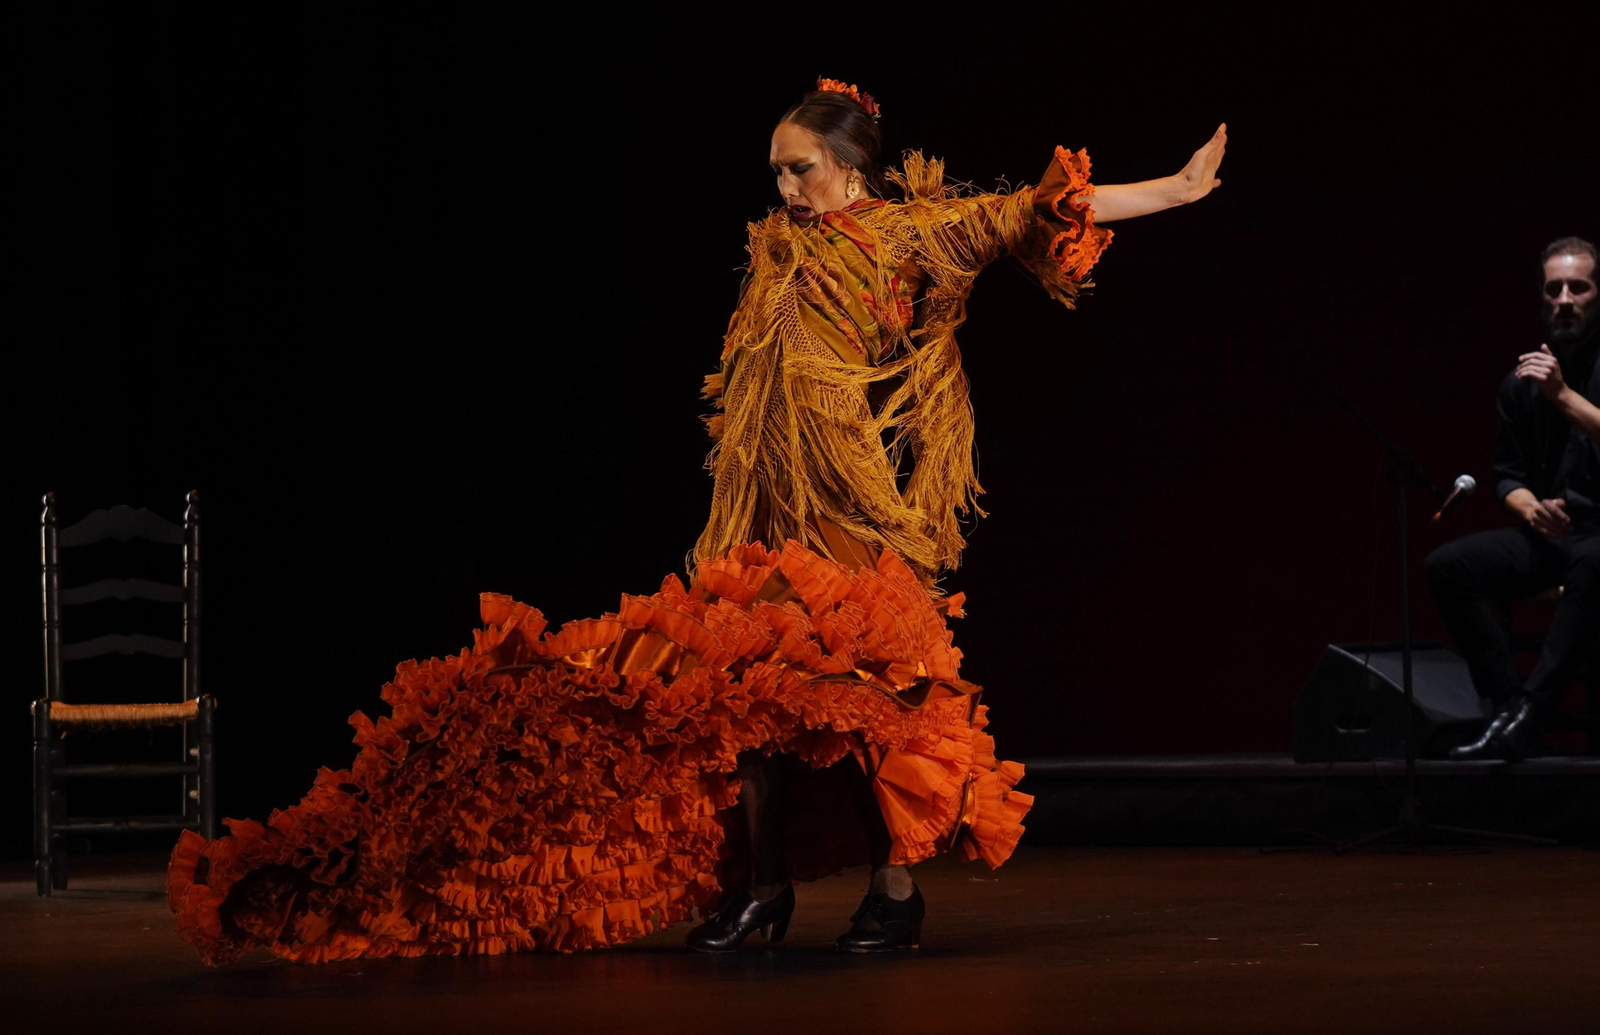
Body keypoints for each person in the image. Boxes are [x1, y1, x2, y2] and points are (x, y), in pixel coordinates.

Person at [166, 79, 1226, 964]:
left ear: (851, 168)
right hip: (763, 509)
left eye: (799, 166)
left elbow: (1028, 213)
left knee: (853, 704)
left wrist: (1174, 190)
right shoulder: (776, 251)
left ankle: (894, 891)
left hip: (846, 514)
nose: (782, 185)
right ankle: (760, 889)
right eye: (774, 169)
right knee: (735, 703)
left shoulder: (909, 233)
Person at [1426, 237, 1600, 761]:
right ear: (1541, 299)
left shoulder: (1559, 383)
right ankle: (1507, 711)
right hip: (1557, 537)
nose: (1565, 298)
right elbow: (1506, 476)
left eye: (1579, 287)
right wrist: (1531, 509)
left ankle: (1530, 713)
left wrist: (1564, 396)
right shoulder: (1521, 383)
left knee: (1595, 564)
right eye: (1554, 289)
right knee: (1447, 567)